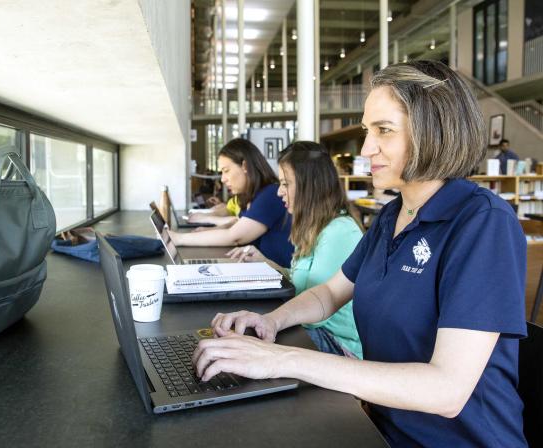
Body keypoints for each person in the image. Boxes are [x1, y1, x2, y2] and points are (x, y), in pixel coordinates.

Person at [192, 60, 527, 447]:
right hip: (380, 429)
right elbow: (330, 293)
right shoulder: (390, 216)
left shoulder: (484, 223)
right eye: (369, 131)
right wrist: (271, 321)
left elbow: (447, 390)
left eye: (384, 130)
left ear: (434, 130)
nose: (367, 148)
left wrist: (281, 360)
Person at [227, 141, 364, 359]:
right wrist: (270, 265)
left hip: (335, 344)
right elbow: (306, 283)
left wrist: (270, 320)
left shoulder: (339, 231)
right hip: (312, 331)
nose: (280, 192)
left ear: (310, 184)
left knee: (246, 340)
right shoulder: (314, 226)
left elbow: (318, 312)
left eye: (286, 183)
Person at [169, 138, 294, 268]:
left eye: (226, 170)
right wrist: (208, 230)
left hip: (283, 279)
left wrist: (178, 238)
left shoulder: (271, 194)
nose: (223, 179)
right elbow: (236, 223)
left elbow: (234, 236)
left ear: (245, 166)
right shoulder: (252, 197)